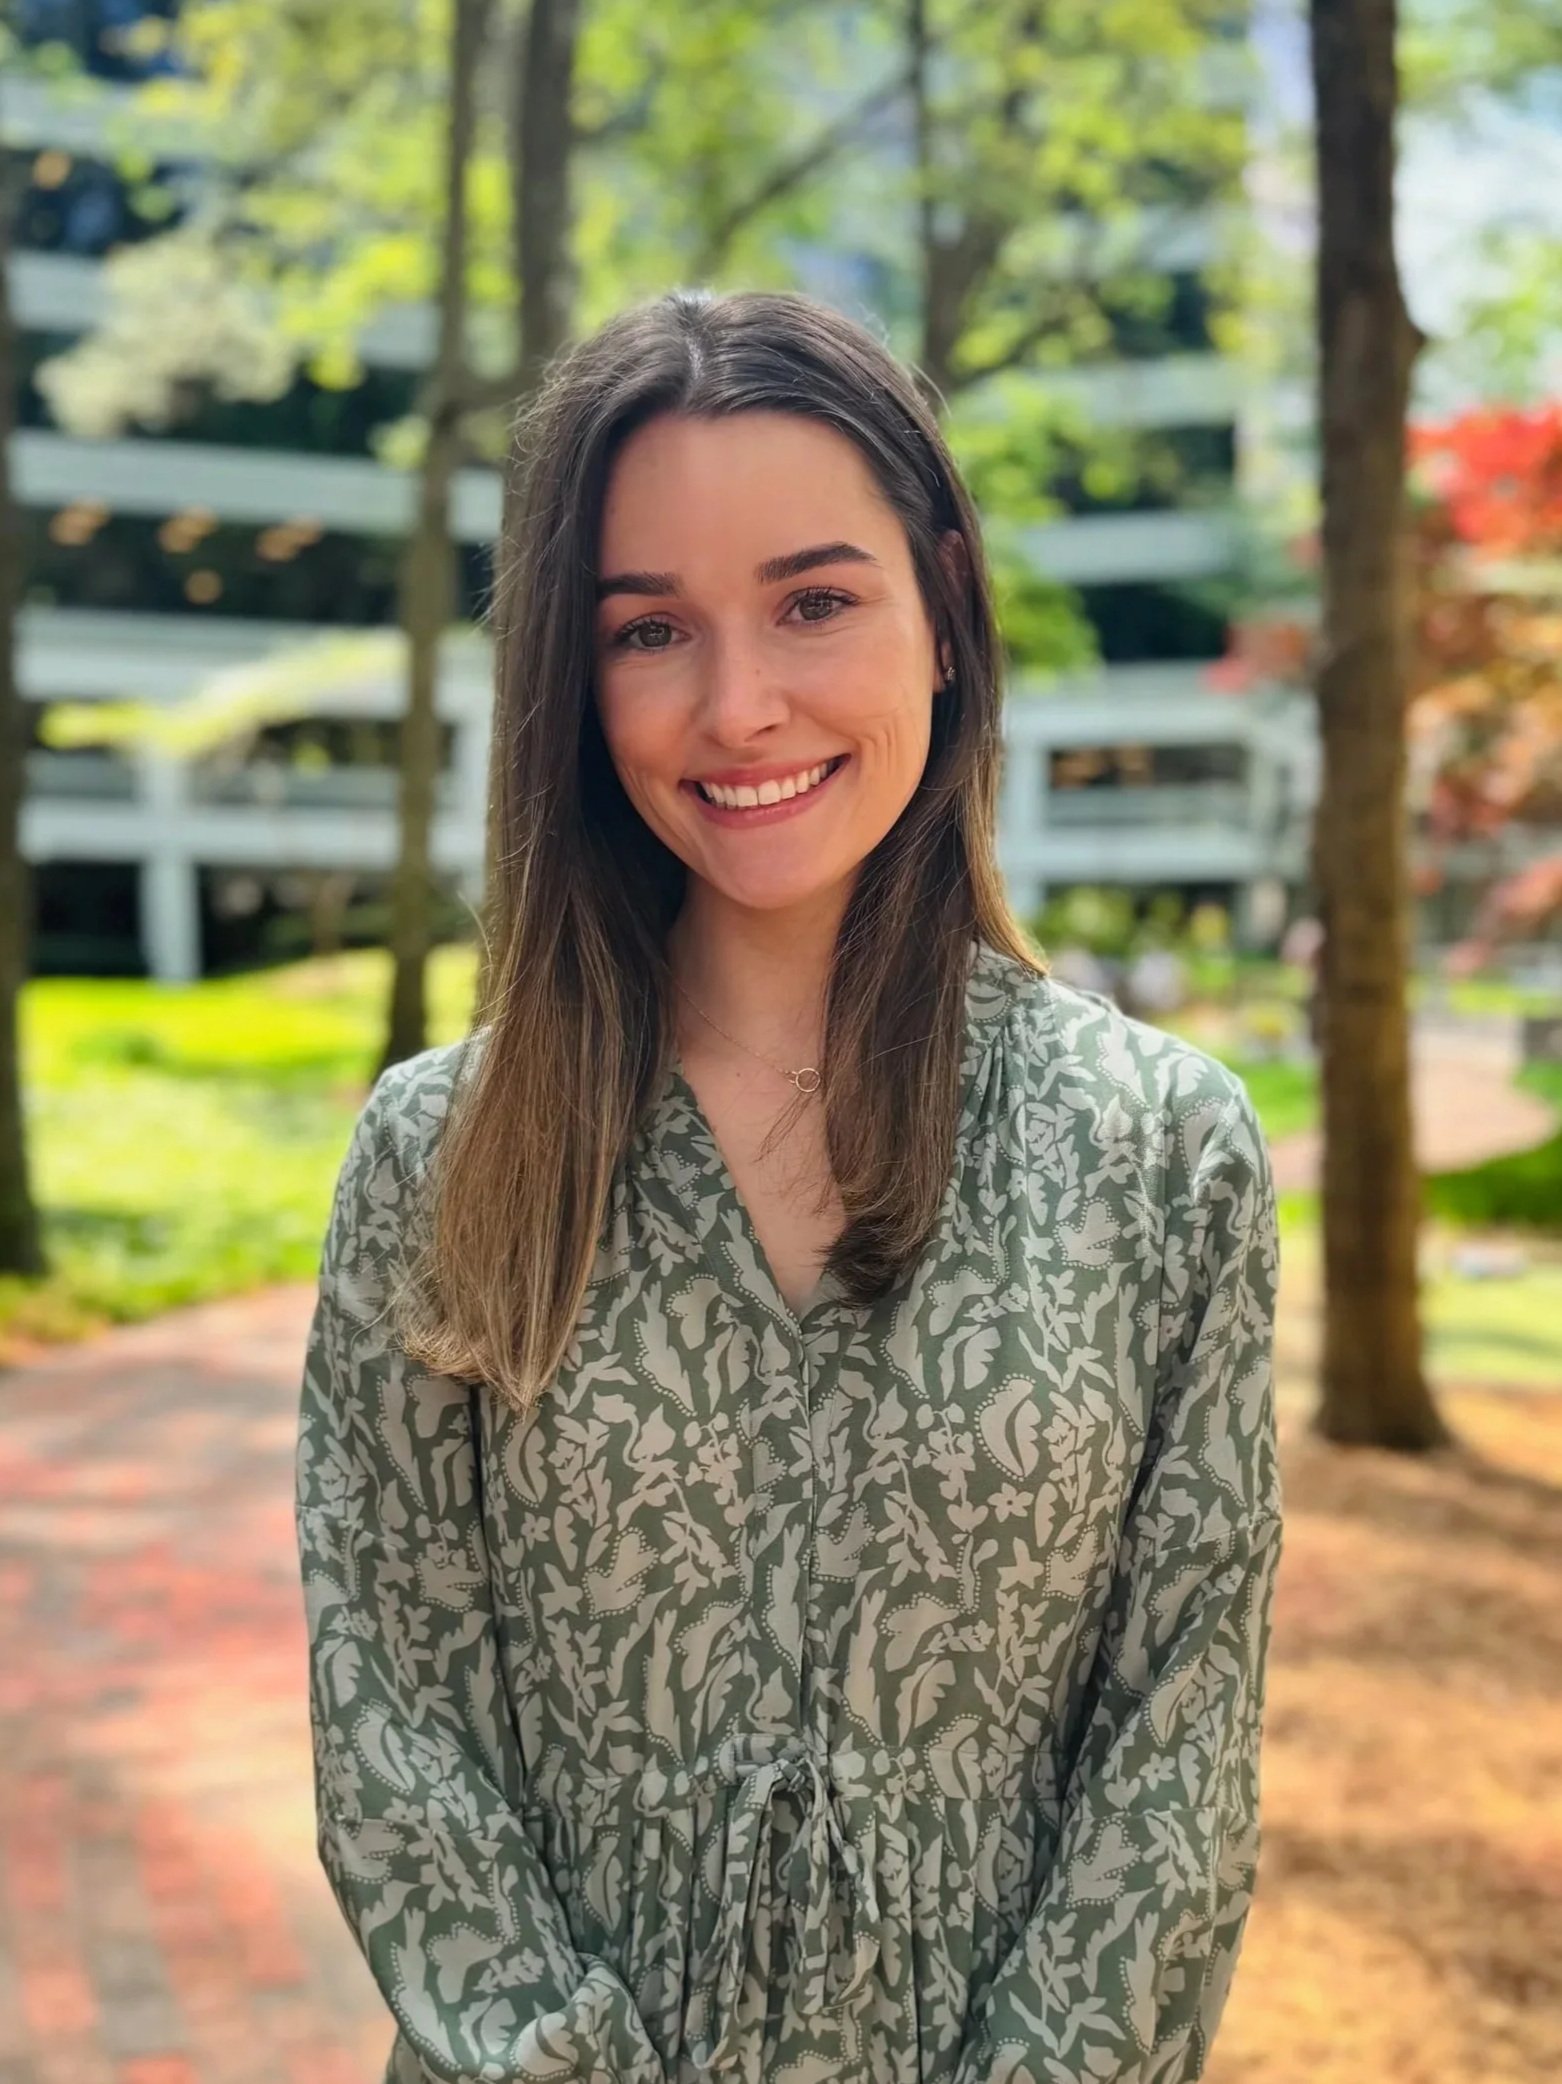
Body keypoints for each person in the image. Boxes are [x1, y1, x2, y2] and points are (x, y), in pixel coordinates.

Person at [295, 288, 1284, 2084]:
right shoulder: (441, 1157)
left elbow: (1179, 1742)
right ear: (573, 683)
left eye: (814, 601)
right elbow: (392, 1711)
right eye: (649, 628)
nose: (736, 706)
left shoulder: (1158, 1151)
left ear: (943, 613)